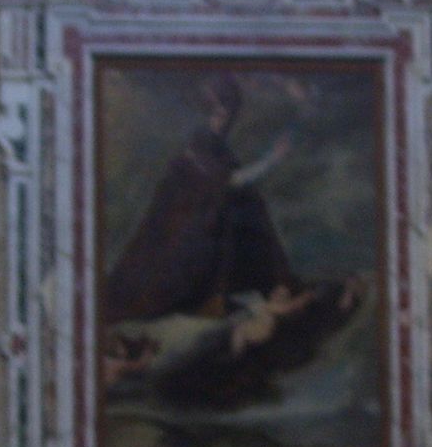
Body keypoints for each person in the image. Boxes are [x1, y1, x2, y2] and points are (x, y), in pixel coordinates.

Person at [101, 73, 298, 326]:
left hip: (202, 216)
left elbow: (226, 185)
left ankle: (261, 287)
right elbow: (227, 182)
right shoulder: (200, 142)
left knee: (247, 206)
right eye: (216, 112)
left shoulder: (218, 147)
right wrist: (272, 160)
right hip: (181, 229)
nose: (223, 119)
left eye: (226, 112)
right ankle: (213, 296)